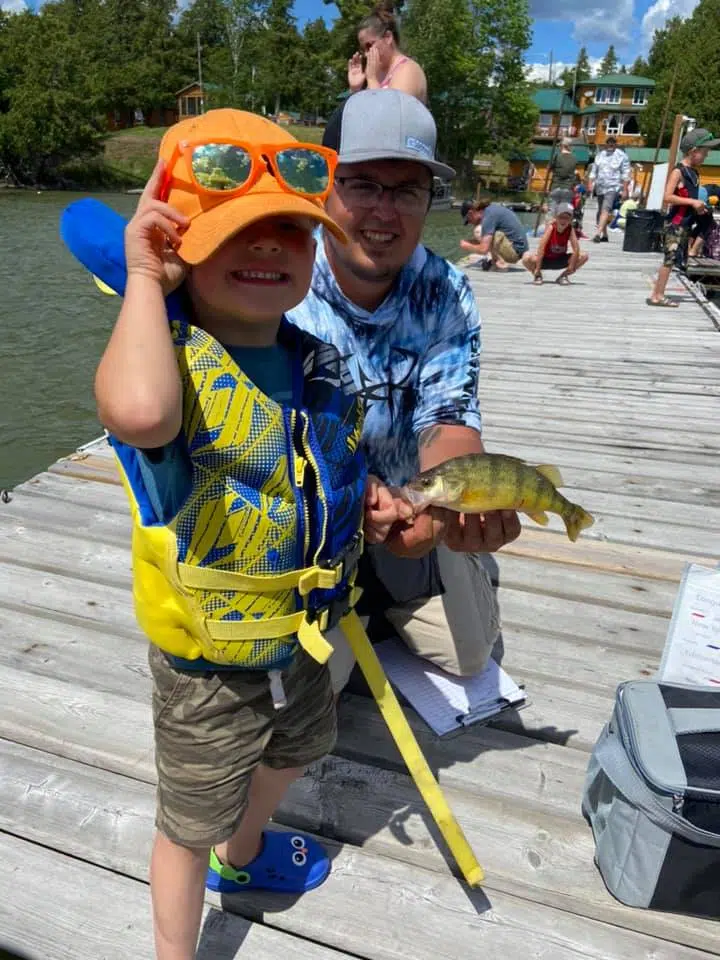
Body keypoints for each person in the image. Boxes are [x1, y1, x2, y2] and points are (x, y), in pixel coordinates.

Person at [92, 108, 403, 960]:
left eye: (292, 234)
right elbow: (141, 412)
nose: (270, 248)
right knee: (186, 823)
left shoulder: (313, 361)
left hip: (304, 636)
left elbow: (319, 467)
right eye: (239, 230)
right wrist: (144, 283)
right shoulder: (166, 360)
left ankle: (246, 853)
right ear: (177, 242)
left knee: (301, 747)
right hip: (208, 669)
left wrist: (367, 505)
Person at [288, 90, 522, 693]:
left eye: (407, 191)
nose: (383, 213)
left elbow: (448, 419)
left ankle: (429, 573)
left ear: (428, 201)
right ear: (323, 185)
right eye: (362, 184)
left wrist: (442, 510)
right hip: (309, 518)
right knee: (315, 694)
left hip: (410, 509)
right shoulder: (276, 279)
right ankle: (371, 597)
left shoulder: (445, 293)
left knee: (469, 658)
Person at [648, 127, 720, 308]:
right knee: (669, 260)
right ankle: (657, 295)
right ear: (693, 151)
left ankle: (659, 292)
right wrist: (692, 202)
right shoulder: (678, 172)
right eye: (704, 152)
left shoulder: (694, 172)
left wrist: (699, 207)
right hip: (675, 224)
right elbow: (667, 197)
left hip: (687, 223)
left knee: (675, 260)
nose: (706, 156)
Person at [347, 1, 427, 103]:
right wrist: (355, 90)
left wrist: (371, 79)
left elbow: (389, 115)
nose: (366, 54)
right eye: (363, 49)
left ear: (388, 37)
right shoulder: (378, 74)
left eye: (369, 45)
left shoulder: (408, 70)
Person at [523, 203, 589, 285]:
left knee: (584, 255)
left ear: (570, 219)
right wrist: (538, 268)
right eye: (561, 217)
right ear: (556, 218)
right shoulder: (551, 228)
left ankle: (563, 276)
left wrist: (571, 266)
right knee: (526, 257)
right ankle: (538, 275)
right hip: (545, 260)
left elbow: (576, 249)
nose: (563, 221)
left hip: (560, 259)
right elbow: (541, 248)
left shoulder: (570, 229)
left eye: (567, 218)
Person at [459, 197, 530, 271]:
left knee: (478, 231)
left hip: (514, 253)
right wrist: (470, 242)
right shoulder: (490, 210)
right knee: (484, 233)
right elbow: (485, 241)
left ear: (471, 213)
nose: (470, 223)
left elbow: (483, 249)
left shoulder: (488, 216)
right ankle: (495, 261)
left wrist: (467, 246)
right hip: (517, 250)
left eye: (468, 220)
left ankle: (500, 263)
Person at [587, 137, 631, 243]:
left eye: (613, 143)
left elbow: (626, 174)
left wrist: (625, 190)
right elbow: (594, 170)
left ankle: (598, 234)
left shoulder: (622, 156)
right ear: (606, 144)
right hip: (600, 186)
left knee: (605, 209)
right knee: (601, 210)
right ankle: (605, 235)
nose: (611, 145)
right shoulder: (600, 155)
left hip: (613, 186)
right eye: (609, 143)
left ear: (616, 144)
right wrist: (590, 183)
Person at [549, 138, 578, 211]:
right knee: (563, 212)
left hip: (556, 186)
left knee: (553, 211)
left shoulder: (557, 156)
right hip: (568, 188)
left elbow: (549, 168)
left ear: (563, 146)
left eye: (560, 146)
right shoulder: (574, 158)